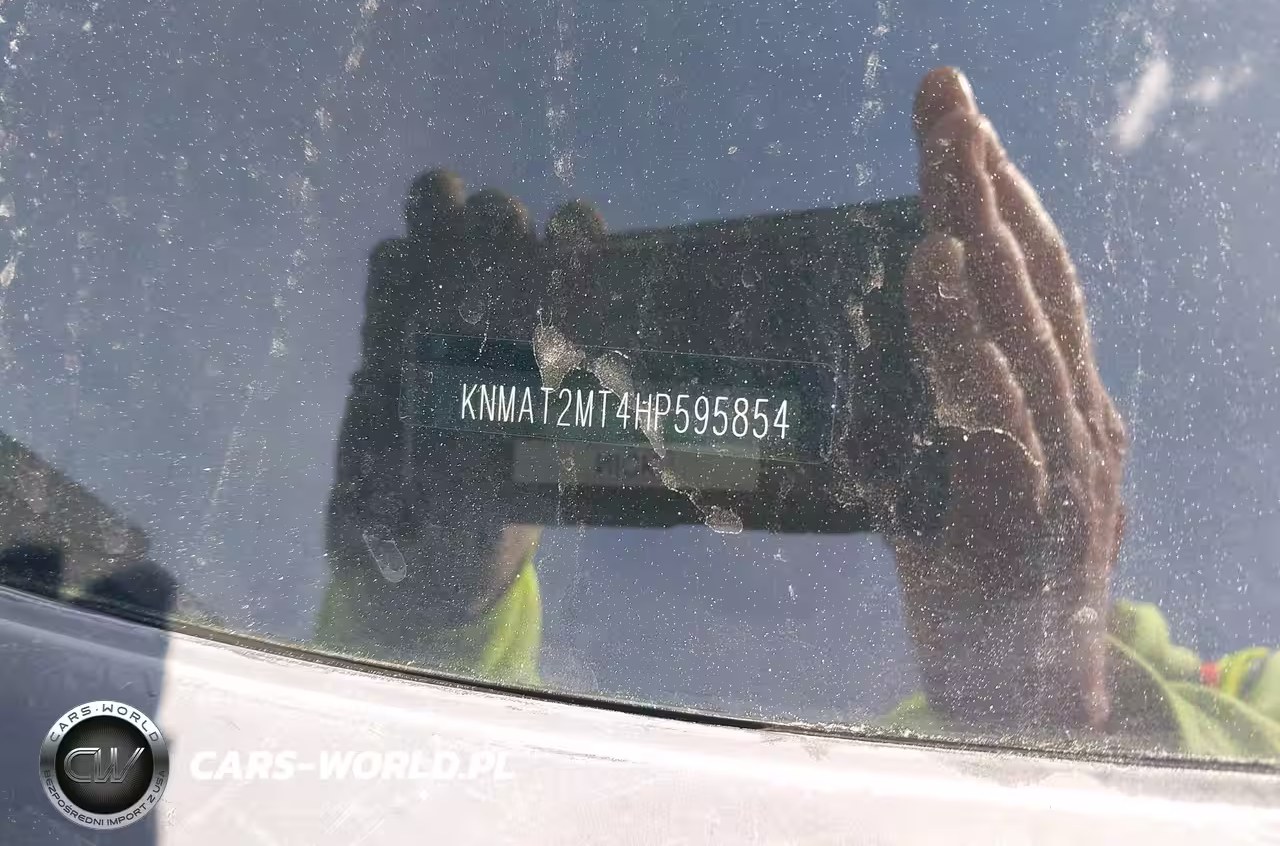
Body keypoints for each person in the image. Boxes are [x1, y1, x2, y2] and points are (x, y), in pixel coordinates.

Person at [315, 66, 1280, 759]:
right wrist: (431, 603)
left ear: (1111, 509)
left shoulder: (1249, 701)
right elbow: (429, 793)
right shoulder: (874, 756)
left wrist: (1071, 718)